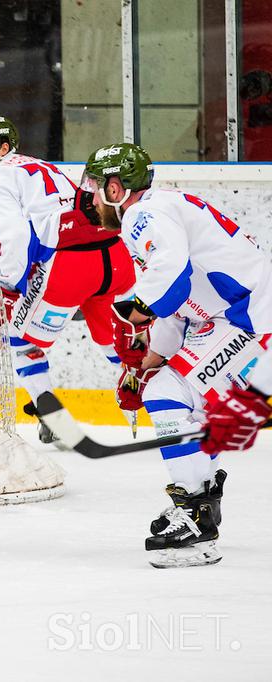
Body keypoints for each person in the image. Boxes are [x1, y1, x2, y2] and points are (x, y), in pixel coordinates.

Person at [82, 142, 272, 568]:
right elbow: (179, 303)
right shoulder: (160, 211)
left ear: (117, 188)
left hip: (250, 324)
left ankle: (195, 518)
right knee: (179, 396)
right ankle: (201, 505)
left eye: (96, 186)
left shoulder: (142, 214)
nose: (90, 197)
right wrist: (149, 360)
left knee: (167, 395)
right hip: (234, 321)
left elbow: (172, 279)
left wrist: (131, 312)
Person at [0, 116, 135, 444]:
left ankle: (53, 419)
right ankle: (170, 403)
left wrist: (7, 284)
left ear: (2, 149)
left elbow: (13, 236)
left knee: (21, 341)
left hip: (71, 267)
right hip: (114, 257)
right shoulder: (44, 166)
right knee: (111, 341)